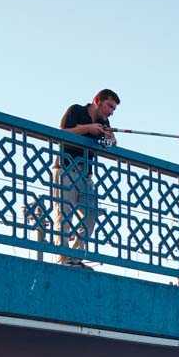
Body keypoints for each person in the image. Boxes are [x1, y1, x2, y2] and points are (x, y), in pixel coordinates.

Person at [57, 89, 119, 260]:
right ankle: (64, 257)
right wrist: (88, 129)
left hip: (86, 175)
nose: (111, 112)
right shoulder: (76, 110)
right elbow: (63, 132)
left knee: (91, 214)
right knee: (65, 214)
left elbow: (112, 145)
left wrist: (110, 137)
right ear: (97, 100)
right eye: (109, 106)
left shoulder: (103, 122)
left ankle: (76, 256)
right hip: (66, 168)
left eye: (114, 109)